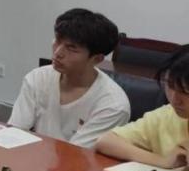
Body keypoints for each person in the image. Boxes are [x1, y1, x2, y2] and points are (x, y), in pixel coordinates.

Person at [7, 8, 129, 147]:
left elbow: (76, 154)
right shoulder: (38, 78)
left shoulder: (113, 105)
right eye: (57, 40)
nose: (58, 53)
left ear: (96, 59)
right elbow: (13, 133)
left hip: (76, 160)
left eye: (71, 48)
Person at [97, 44, 189, 167]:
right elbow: (106, 141)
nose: (175, 99)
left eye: (185, 92)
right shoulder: (166, 116)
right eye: (170, 86)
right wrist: (163, 161)